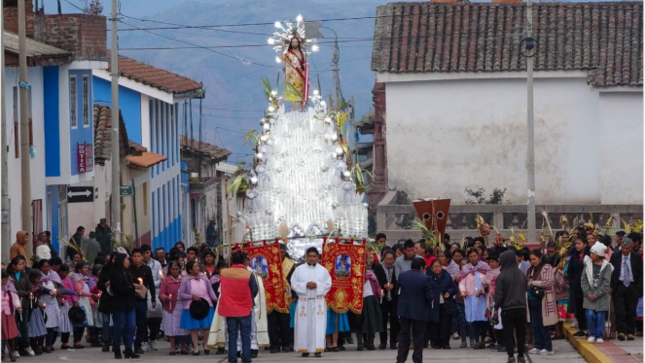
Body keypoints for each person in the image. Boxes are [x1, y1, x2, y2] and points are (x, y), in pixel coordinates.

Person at [291, 247, 332, 357]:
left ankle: (317, 349)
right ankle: (304, 349)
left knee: (318, 326)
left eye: (314, 256)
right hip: (304, 301)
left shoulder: (323, 270)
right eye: (310, 256)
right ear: (306, 257)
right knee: (304, 326)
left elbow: (328, 284)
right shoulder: (299, 269)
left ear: (318, 257)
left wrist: (317, 285)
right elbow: (293, 283)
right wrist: (305, 285)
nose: (312, 258)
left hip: (318, 301)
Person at [396, 258, 433, 363]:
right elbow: (429, 297)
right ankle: (417, 360)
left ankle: (400, 360)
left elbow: (397, 292)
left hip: (405, 310)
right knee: (419, 337)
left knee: (404, 336)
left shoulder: (402, 276)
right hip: (420, 311)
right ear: (421, 267)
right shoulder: (425, 278)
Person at [179, 260, 217, 356]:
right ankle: (196, 348)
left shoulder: (204, 277)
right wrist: (191, 296)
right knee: (194, 328)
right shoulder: (186, 280)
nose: (198, 268)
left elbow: (210, 290)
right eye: (195, 266)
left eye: (197, 266)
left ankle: (206, 345)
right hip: (191, 306)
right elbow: (181, 294)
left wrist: (215, 299)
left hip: (205, 305)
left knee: (206, 327)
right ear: (190, 270)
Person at [495, 250, 527, 363]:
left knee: (508, 333)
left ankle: (511, 356)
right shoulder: (521, 274)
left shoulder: (502, 276)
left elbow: (499, 295)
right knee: (521, 333)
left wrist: (495, 307)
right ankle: (521, 355)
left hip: (507, 309)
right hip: (521, 308)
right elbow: (525, 288)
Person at [610, 237, 643, 341]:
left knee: (631, 310)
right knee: (620, 310)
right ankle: (621, 331)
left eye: (627, 248)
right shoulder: (615, 256)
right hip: (619, 285)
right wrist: (611, 286)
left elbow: (641, 273)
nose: (625, 250)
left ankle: (630, 331)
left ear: (631, 247)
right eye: (623, 248)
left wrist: (639, 288)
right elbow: (610, 272)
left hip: (632, 286)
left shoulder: (637, 257)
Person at [526, 249, 556, 355]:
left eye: (534, 259)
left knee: (544, 325)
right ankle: (538, 345)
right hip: (531, 299)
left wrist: (533, 283)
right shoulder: (530, 269)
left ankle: (548, 347)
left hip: (543, 300)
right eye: (531, 259)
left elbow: (548, 282)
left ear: (540, 258)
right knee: (535, 325)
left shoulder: (546, 267)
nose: (533, 261)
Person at [110, 253, 140, 359]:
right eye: (126, 260)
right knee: (120, 326)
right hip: (120, 303)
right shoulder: (114, 273)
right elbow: (118, 289)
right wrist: (132, 287)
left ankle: (128, 348)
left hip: (130, 302)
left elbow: (134, 283)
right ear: (121, 261)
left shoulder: (128, 272)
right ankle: (117, 348)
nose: (128, 261)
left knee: (132, 325)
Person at [582, 242, 612, 344]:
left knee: (600, 315)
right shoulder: (587, 264)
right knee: (589, 314)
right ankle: (592, 333)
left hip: (601, 296)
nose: (591, 255)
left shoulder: (606, 266)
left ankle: (599, 335)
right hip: (589, 295)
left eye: (593, 253)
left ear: (598, 254)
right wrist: (588, 293)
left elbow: (606, 282)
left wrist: (597, 294)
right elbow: (584, 280)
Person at [459, 248, 489, 349]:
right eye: (471, 256)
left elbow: (489, 281)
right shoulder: (466, 268)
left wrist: (484, 289)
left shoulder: (485, 267)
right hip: (471, 298)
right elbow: (462, 282)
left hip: (483, 298)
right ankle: (476, 341)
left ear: (478, 256)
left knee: (484, 319)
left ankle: (482, 340)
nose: (473, 258)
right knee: (474, 320)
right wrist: (463, 290)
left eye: (475, 256)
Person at [128, 248, 156, 354]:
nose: (136, 258)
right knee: (131, 324)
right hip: (130, 300)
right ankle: (129, 344)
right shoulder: (128, 269)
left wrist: (153, 299)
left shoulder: (146, 269)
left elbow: (151, 284)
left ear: (142, 257)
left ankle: (138, 345)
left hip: (142, 300)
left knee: (141, 324)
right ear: (131, 257)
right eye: (134, 256)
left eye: (139, 256)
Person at [268, 244, 295, 353]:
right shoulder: (269, 262)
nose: (280, 253)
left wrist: (294, 295)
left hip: (286, 297)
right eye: (277, 251)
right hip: (272, 297)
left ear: (285, 252)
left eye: (282, 251)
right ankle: (274, 345)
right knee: (272, 323)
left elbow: (294, 280)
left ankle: (286, 344)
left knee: (285, 322)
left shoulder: (291, 264)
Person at [427, 259, 457, 350]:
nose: (437, 268)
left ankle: (445, 343)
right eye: (435, 267)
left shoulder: (446, 276)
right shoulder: (428, 277)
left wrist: (449, 292)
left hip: (445, 304)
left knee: (446, 325)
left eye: (439, 266)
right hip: (433, 304)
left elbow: (454, 287)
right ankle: (436, 343)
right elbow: (426, 289)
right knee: (434, 324)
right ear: (431, 268)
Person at [7, 255, 34, 357]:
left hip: (24, 304)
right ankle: (15, 348)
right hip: (13, 305)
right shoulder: (9, 276)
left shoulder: (24, 275)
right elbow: (12, 290)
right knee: (15, 326)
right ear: (14, 265)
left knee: (24, 325)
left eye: (24, 263)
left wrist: (26, 293)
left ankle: (26, 345)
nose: (23, 265)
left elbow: (29, 288)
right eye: (20, 264)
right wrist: (23, 292)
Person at [159, 261, 188, 355]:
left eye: (177, 269)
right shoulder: (166, 280)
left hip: (182, 306)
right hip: (170, 306)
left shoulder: (184, 279)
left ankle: (183, 346)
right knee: (171, 327)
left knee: (183, 328)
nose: (175, 271)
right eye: (173, 269)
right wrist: (165, 297)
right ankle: (172, 347)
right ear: (169, 270)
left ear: (180, 269)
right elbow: (161, 293)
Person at [374, 249, 398, 350]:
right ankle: (383, 342)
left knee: (394, 319)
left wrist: (394, 285)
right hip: (383, 296)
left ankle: (393, 342)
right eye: (387, 259)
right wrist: (383, 285)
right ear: (384, 258)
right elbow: (376, 280)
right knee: (383, 319)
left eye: (391, 259)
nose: (389, 261)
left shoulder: (396, 267)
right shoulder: (379, 267)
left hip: (394, 296)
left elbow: (398, 279)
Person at [71, 262, 98, 349]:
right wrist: (91, 295)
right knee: (78, 322)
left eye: (87, 268)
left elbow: (86, 291)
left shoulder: (84, 279)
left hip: (85, 301)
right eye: (85, 268)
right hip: (80, 302)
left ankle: (78, 341)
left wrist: (90, 300)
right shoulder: (76, 278)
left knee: (83, 323)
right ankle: (76, 341)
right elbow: (80, 291)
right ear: (79, 270)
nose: (87, 269)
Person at [142, 245, 163, 351]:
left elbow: (161, 279)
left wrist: (152, 284)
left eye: (147, 253)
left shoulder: (157, 264)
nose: (145, 255)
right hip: (142, 294)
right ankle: (145, 340)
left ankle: (153, 338)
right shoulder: (139, 265)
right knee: (143, 319)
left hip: (155, 293)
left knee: (155, 318)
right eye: (143, 253)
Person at [568, 237, 590, 337]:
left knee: (588, 309)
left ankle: (589, 328)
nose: (577, 246)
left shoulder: (590, 255)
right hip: (577, 286)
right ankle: (582, 328)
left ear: (585, 244)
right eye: (576, 244)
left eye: (579, 243)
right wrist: (572, 282)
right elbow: (570, 271)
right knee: (579, 309)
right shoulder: (573, 256)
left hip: (588, 286)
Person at [38, 260, 62, 353]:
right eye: (44, 266)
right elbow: (36, 287)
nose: (46, 268)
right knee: (42, 324)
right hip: (42, 302)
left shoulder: (54, 275)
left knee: (51, 325)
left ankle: (48, 345)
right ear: (41, 267)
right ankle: (40, 344)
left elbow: (61, 287)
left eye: (48, 266)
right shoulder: (38, 276)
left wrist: (57, 292)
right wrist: (46, 291)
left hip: (52, 303)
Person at [359, 259, 383, 351]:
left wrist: (380, 292)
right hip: (361, 300)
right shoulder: (357, 276)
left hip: (371, 299)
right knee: (363, 322)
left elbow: (377, 286)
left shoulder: (372, 276)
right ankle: (363, 341)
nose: (365, 267)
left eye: (366, 265)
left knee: (372, 322)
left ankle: (371, 342)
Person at [97, 253, 115, 353]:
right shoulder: (105, 269)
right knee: (105, 321)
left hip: (117, 299)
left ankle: (115, 340)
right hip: (106, 299)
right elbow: (99, 284)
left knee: (117, 322)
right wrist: (105, 284)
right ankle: (106, 341)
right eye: (113, 259)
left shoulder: (121, 269)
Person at [2, 268, 21, 362]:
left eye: (6, 279)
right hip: (1, 313)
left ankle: (11, 352)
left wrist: (18, 306)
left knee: (11, 333)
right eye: (3, 280)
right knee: (2, 334)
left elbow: (15, 298)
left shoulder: (9, 286)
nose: (5, 282)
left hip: (8, 312)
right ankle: (1, 354)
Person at [26, 271, 47, 355]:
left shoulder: (39, 287)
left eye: (39, 278)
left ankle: (39, 345)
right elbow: (30, 300)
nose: (39, 280)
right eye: (37, 279)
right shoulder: (29, 287)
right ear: (32, 279)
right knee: (32, 328)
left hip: (36, 310)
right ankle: (33, 346)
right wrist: (38, 304)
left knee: (39, 326)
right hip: (30, 309)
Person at [57, 264, 76, 351]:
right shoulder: (57, 280)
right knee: (59, 324)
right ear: (60, 271)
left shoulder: (68, 280)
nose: (66, 274)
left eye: (67, 273)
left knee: (67, 325)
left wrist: (75, 301)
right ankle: (50, 344)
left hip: (69, 304)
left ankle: (65, 343)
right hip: (60, 304)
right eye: (65, 272)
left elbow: (72, 291)